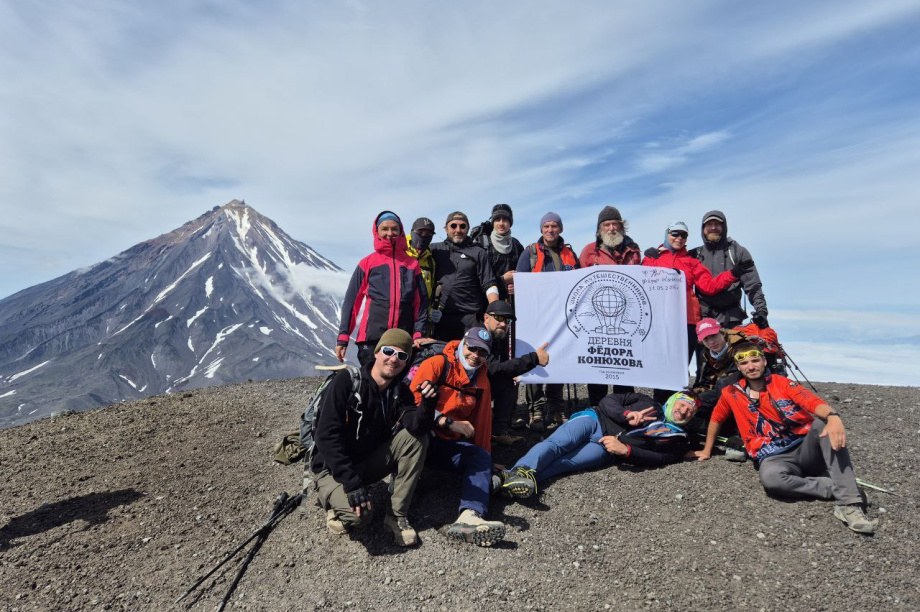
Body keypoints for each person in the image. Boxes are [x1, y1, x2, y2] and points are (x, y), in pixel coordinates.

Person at [692, 342, 877, 534]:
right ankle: (837, 486)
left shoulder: (782, 383)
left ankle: (849, 503)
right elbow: (716, 418)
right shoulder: (731, 393)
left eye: (755, 360)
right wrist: (706, 450)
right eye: (745, 363)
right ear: (738, 367)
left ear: (764, 361)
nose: (751, 366)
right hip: (774, 457)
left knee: (822, 424)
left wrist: (833, 417)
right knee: (771, 480)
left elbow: (812, 402)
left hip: (805, 447)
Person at [311, 329, 437, 546]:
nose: (393, 359)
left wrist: (428, 404)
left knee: (417, 441)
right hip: (331, 468)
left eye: (402, 355)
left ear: (406, 362)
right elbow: (325, 436)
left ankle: (396, 516)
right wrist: (351, 484)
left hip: (366, 462)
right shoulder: (346, 382)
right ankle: (332, 500)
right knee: (360, 517)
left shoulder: (399, 392)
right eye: (389, 351)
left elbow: (416, 429)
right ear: (377, 353)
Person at [497, 391, 699, 499]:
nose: (683, 411)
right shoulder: (646, 401)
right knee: (558, 444)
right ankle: (521, 472)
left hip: (607, 448)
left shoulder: (675, 438)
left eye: (690, 411)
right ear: (673, 401)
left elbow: (662, 458)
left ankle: (508, 483)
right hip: (594, 419)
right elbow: (608, 401)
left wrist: (626, 451)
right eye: (682, 404)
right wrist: (626, 415)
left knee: (563, 464)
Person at [410, 327, 507, 547]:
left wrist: (487, 462)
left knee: (479, 457)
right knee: (413, 441)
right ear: (462, 344)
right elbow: (409, 406)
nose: (475, 356)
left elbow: (481, 425)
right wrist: (446, 421)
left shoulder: (481, 381)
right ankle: (397, 511)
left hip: (447, 446)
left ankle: (469, 517)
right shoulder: (436, 364)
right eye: (472, 348)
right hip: (418, 438)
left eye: (482, 352)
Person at [642, 221, 748, 404]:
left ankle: (676, 407)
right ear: (666, 234)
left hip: (687, 321)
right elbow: (638, 282)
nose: (679, 238)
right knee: (661, 364)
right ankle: (659, 405)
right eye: (675, 233)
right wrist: (646, 259)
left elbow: (709, 286)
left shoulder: (692, 262)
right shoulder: (653, 258)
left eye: (684, 235)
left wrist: (733, 274)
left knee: (680, 366)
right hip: (660, 321)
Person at [337, 211, 428, 366]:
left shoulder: (412, 265)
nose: (389, 233)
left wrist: (419, 333)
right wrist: (343, 336)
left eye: (394, 229)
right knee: (371, 385)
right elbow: (352, 302)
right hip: (371, 338)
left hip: (402, 339)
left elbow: (421, 303)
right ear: (376, 231)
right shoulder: (367, 263)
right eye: (384, 229)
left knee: (398, 386)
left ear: (401, 232)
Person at [516, 212, 580, 431]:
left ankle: (556, 406)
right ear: (541, 229)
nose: (550, 230)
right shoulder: (530, 253)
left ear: (560, 229)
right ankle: (536, 409)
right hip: (535, 316)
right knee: (535, 360)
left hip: (562, 317)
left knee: (558, 359)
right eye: (546, 226)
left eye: (554, 226)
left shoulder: (570, 254)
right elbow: (521, 282)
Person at [578, 205, 641, 406]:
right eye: (607, 224)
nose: (611, 228)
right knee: (597, 368)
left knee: (624, 367)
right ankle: (597, 409)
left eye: (615, 224)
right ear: (599, 229)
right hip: (596, 319)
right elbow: (578, 284)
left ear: (622, 227)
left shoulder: (634, 250)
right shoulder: (589, 251)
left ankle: (623, 410)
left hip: (625, 319)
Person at [480, 300, 550, 446]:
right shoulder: (480, 336)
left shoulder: (499, 336)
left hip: (483, 384)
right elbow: (494, 368)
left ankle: (498, 431)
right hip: (467, 390)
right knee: (505, 377)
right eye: (498, 318)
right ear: (486, 317)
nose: (504, 324)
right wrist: (533, 358)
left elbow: (503, 366)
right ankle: (484, 430)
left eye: (508, 320)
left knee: (511, 380)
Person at [689, 211, 768, 329]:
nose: (713, 228)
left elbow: (753, 286)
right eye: (709, 224)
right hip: (703, 321)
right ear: (703, 228)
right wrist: (658, 252)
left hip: (732, 319)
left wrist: (761, 311)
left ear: (724, 227)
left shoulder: (738, 252)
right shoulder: (694, 255)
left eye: (717, 224)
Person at [430, 212, 500, 341]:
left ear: (468, 228)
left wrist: (496, 312)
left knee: (473, 359)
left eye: (462, 226)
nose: (458, 230)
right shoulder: (435, 249)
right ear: (446, 229)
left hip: (471, 319)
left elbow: (489, 284)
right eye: (453, 226)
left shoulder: (478, 252)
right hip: (442, 318)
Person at [406, 217, 437, 337]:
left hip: (421, 322)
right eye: (420, 233)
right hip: (399, 318)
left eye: (428, 234)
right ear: (412, 232)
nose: (424, 237)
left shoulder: (430, 260)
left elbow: (431, 292)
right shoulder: (400, 252)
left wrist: (433, 311)